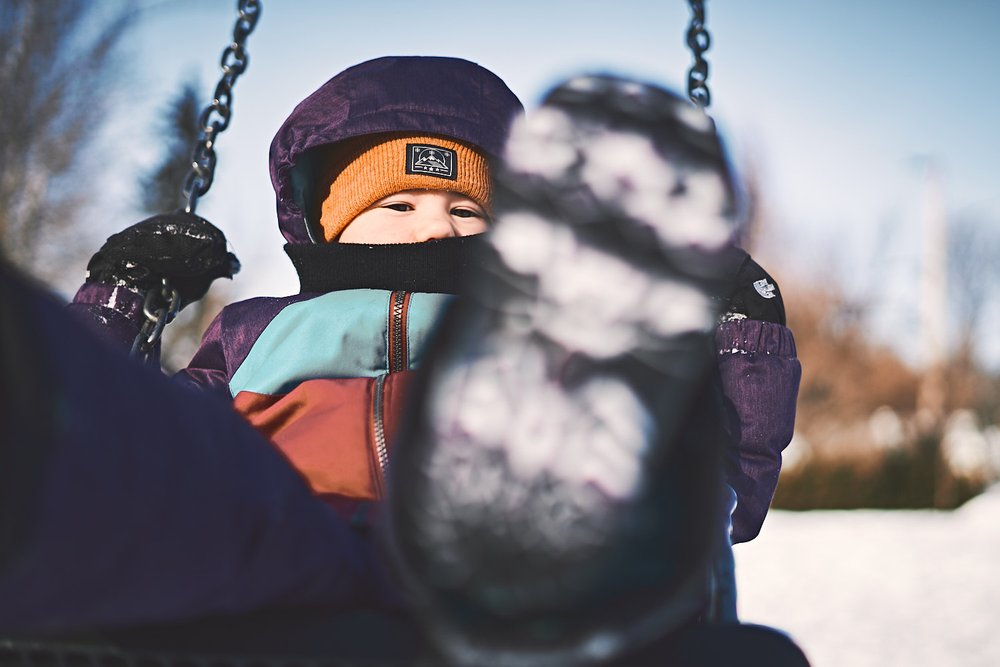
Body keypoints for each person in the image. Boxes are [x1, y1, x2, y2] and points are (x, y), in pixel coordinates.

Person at [3, 56, 804, 664]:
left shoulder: (541, 332)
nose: (435, 228)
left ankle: (529, 554)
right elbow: (148, 442)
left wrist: (740, 341)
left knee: (641, 469)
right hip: (285, 549)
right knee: (154, 468)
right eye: (397, 205)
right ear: (326, 223)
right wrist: (123, 301)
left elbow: (726, 486)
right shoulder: (255, 332)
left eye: (466, 208)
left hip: (496, 552)